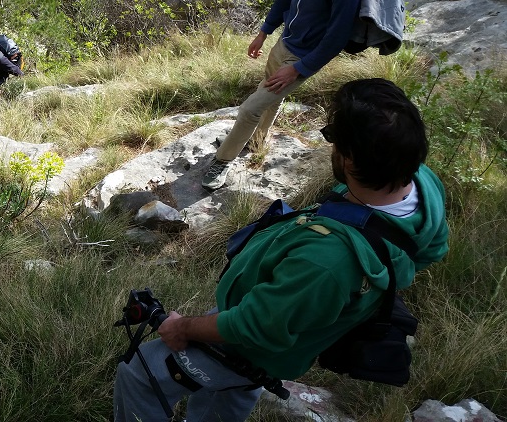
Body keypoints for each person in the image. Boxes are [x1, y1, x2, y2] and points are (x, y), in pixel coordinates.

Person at [114, 78, 449, 422]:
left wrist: (182, 327)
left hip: (254, 347)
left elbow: (256, 326)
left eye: (333, 137)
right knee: (227, 395)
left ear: (349, 160)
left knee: (140, 375)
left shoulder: (328, 260)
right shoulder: (420, 182)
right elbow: (433, 249)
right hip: (284, 310)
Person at [203, 0, 362, 191]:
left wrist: (298, 69)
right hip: (284, 42)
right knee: (270, 100)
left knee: (251, 107)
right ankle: (255, 141)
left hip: (302, 58)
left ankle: (223, 161)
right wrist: (264, 32)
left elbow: (335, 41)